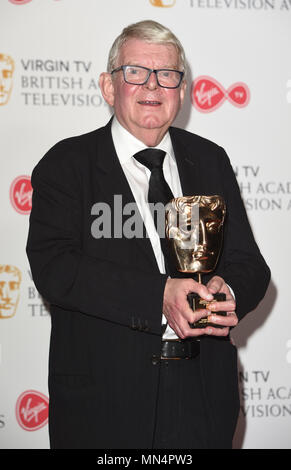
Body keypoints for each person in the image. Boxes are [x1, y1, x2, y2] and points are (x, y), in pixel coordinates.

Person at [26, 20, 270, 449]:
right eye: (135, 72)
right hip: (104, 404)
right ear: (108, 86)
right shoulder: (67, 165)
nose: (152, 85)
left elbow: (250, 264)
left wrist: (226, 287)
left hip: (203, 400)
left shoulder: (209, 161)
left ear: (181, 89)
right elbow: (55, 268)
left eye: (167, 74)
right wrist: (158, 294)